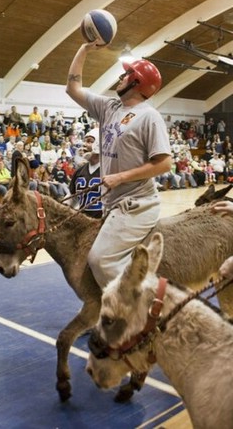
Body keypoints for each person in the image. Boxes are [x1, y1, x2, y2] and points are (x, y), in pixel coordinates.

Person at [66, 43, 171, 288]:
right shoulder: (109, 108)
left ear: (137, 82)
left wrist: (120, 177)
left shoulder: (149, 117)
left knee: (100, 260)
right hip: (112, 203)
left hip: (138, 204)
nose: (121, 78)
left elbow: (164, 164)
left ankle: (138, 309)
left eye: (126, 75)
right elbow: (73, 88)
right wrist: (84, 49)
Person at [67, 128, 102, 218]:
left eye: (90, 141)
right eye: (85, 141)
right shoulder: (79, 171)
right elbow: (71, 198)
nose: (84, 145)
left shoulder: (110, 170)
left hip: (104, 224)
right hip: (83, 224)